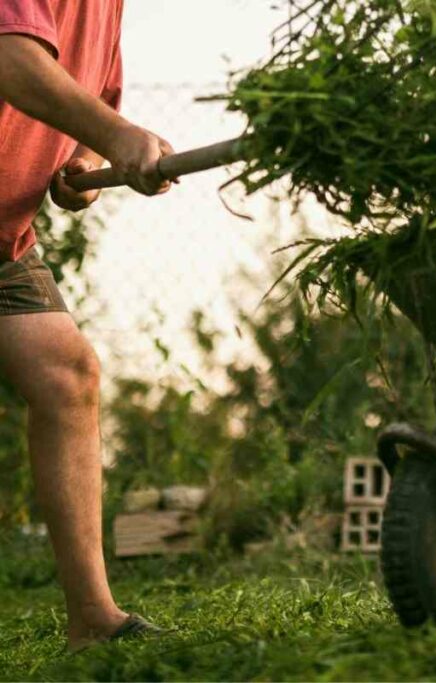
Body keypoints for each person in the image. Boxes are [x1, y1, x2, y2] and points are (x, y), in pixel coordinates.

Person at [0, 0, 174, 652]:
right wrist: (116, 136)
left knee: (67, 375)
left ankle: (94, 619)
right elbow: (13, 59)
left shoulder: (109, 9)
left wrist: (78, 170)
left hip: (5, 242)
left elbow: (79, 102)